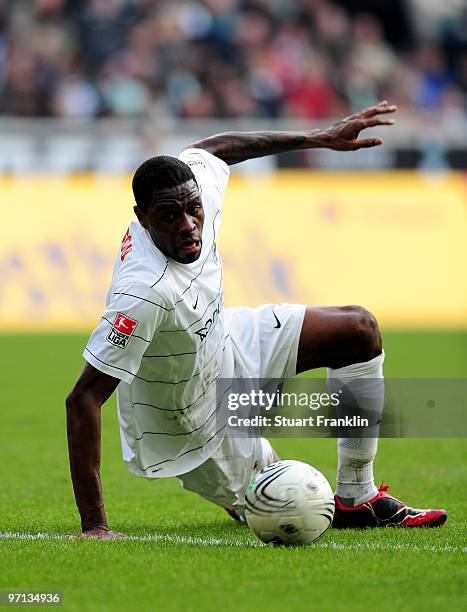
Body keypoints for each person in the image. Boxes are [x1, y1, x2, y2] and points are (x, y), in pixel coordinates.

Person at [66, 101, 447, 539]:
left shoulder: (190, 193)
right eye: (170, 216)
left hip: (224, 340)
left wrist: (317, 138)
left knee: (358, 330)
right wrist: (95, 524)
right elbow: (82, 399)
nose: (189, 225)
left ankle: (357, 496)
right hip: (188, 416)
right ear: (143, 218)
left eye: (193, 209)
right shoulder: (144, 292)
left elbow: (214, 148)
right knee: (286, 506)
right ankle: (243, 491)